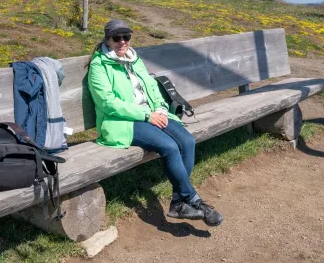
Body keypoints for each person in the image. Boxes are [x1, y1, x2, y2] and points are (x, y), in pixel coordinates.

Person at [87, 19, 223, 226]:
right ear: (107, 39)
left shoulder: (134, 59)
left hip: (152, 114)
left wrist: (159, 107)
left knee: (186, 141)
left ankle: (178, 203)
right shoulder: (99, 65)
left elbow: (152, 87)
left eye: (126, 37)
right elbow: (107, 103)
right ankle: (192, 199)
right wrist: (146, 115)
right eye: (117, 38)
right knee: (169, 146)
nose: (122, 42)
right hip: (121, 121)